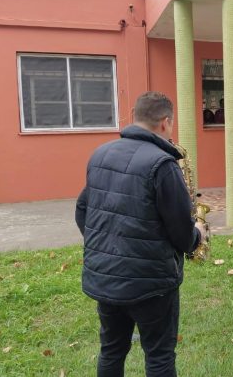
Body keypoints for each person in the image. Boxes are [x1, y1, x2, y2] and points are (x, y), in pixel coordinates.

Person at [75, 91, 206, 377]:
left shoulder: (100, 155)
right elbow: (182, 234)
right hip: (152, 285)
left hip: (106, 278)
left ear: (135, 117)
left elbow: (82, 212)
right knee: (159, 356)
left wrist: (110, 248)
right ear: (165, 122)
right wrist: (198, 234)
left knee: (111, 349)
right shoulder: (163, 164)